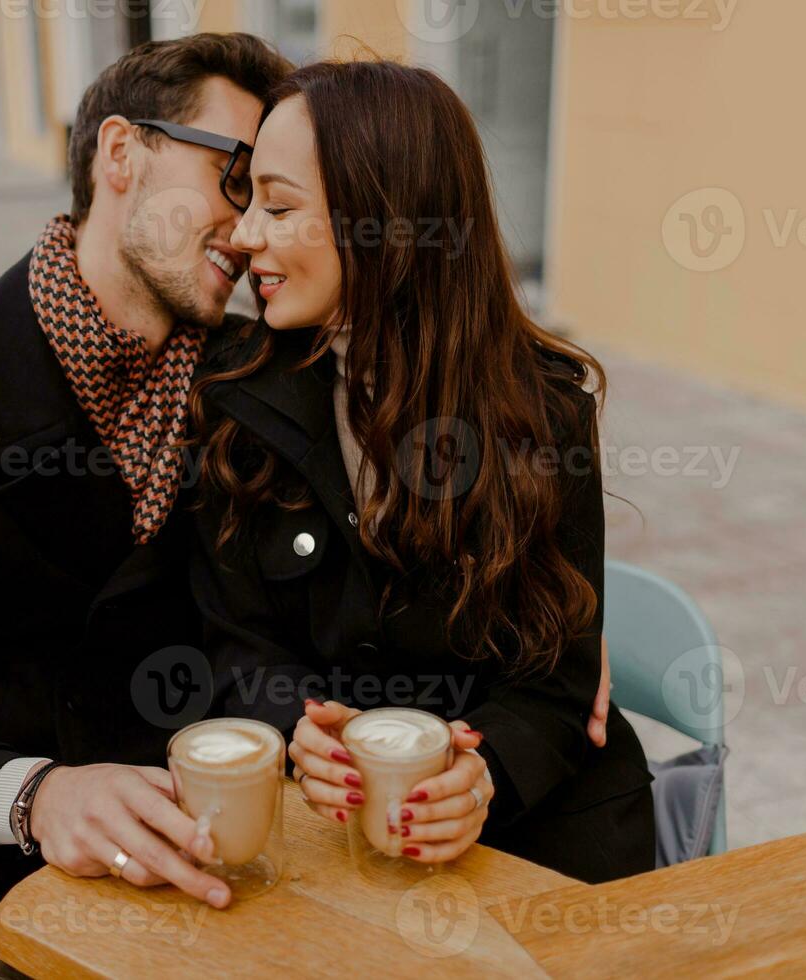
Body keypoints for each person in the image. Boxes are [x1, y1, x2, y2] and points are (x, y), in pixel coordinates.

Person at [0, 34, 294, 978]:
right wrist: (39, 797)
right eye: (234, 178)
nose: (248, 231)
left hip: (225, 855)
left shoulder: (262, 379)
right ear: (120, 154)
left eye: (269, 197)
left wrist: (521, 606)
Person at [188, 59, 655, 884]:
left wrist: (487, 776)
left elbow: (559, 681)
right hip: (330, 845)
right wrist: (295, 729)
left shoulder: (544, 417)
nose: (245, 233)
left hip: (539, 840)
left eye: (281, 205)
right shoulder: (238, 398)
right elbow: (238, 643)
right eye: (249, 197)